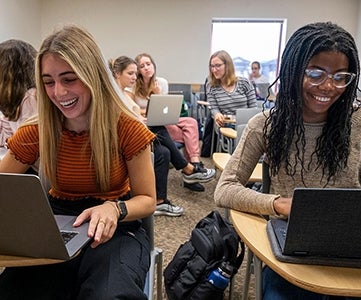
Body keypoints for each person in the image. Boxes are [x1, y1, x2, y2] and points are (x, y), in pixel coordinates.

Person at [214, 21, 361, 300]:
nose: (329, 86)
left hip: (353, 246)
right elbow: (224, 189)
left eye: (341, 76)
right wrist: (279, 204)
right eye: (315, 73)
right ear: (293, 71)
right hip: (293, 246)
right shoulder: (267, 125)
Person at [0, 25, 156, 300]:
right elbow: (3, 186)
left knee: (109, 293)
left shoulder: (126, 128)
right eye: (48, 82)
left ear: (92, 76)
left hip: (117, 225)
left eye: (69, 79)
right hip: (57, 223)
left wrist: (114, 208)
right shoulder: (37, 131)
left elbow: (147, 199)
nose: (58, 92)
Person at [131, 52, 215, 197]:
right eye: (142, 66)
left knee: (191, 122)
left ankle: (194, 163)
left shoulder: (161, 82)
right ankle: (192, 171)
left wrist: (157, 97)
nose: (146, 68)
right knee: (187, 133)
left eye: (148, 64)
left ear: (153, 65)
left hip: (163, 119)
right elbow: (137, 110)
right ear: (138, 70)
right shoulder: (133, 87)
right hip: (151, 124)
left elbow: (163, 108)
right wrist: (154, 96)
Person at [0, 39, 38, 149]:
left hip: (35, 163)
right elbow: (8, 136)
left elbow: (28, 145)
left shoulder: (31, 99)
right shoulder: (15, 104)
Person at [207, 50, 257, 128]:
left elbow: (253, 110)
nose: (214, 70)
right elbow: (214, 108)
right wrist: (217, 114)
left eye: (218, 65)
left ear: (227, 66)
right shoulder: (211, 86)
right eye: (212, 66)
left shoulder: (244, 83)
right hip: (226, 126)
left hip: (246, 125)